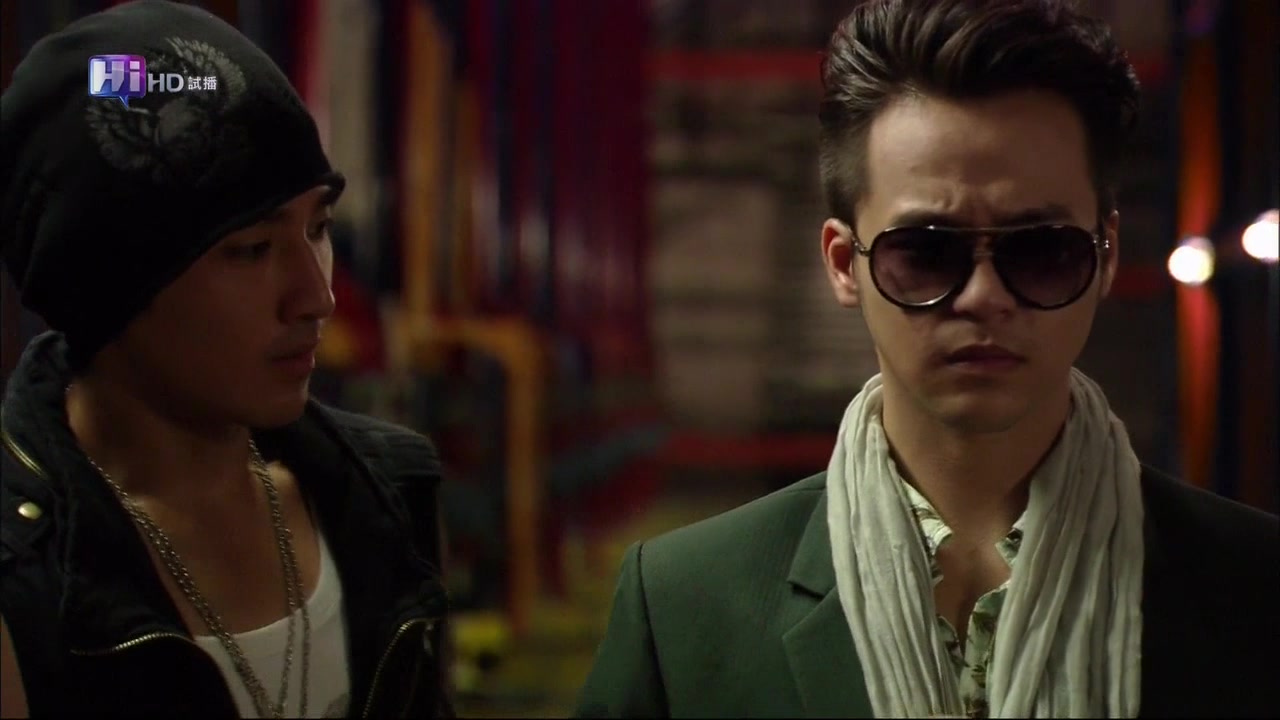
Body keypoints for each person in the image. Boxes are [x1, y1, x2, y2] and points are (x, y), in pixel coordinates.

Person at [575, 1, 1279, 718]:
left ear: (1105, 257)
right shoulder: (685, 605)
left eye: (1041, 251)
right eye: (925, 252)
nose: (983, 297)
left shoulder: (1255, 589)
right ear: (844, 264)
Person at [0, 1, 450, 717]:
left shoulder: (385, 493)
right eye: (251, 250)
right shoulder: (24, 570)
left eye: (319, 228)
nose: (316, 297)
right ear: (109, 281)